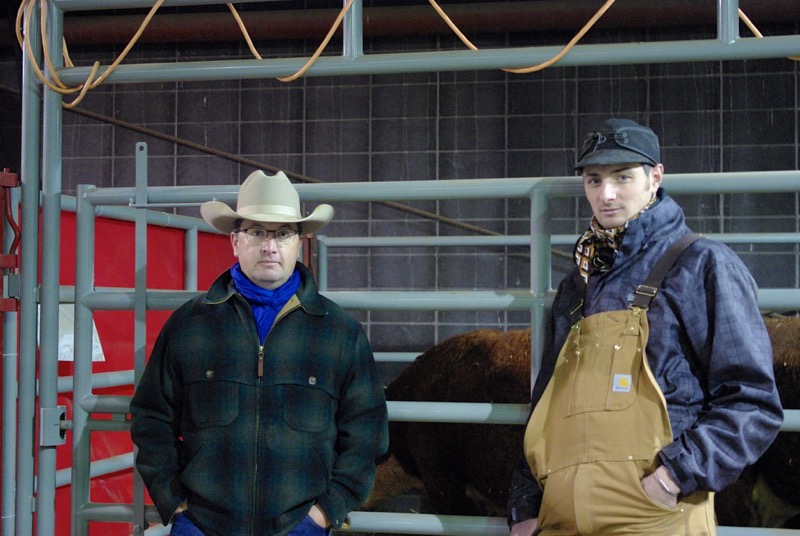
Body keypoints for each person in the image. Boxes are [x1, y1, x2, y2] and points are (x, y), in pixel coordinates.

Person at [506, 118, 784, 535]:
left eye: (623, 177)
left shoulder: (702, 266)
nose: (607, 194)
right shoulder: (578, 284)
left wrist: (673, 478)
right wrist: (527, 507)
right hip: (561, 516)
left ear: (655, 177)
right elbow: (549, 402)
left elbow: (753, 401)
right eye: (594, 180)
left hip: (653, 514)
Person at [130, 170, 389, 536]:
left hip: (300, 525)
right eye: (256, 232)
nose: (270, 246)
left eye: (283, 233)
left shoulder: (339, 333)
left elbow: (367, 433)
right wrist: (176, 503)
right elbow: (151, 417)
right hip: (203, 524)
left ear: (300, 242)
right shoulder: (190, 325)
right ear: (235, 241)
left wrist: (327, 510)